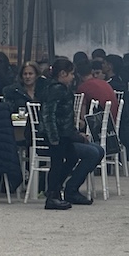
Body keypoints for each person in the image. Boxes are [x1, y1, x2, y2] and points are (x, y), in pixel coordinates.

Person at [40, 58, 104, 210]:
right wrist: (54, 137)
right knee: (57, 164)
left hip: (65, 134)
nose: (73, 77)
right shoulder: (56, 90)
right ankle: (52, 195)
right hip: (57, 136)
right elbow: (49, 114)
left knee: (71, 158)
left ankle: (57, 190)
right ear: (62, 74)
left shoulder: (60, 89)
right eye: (71, 74)